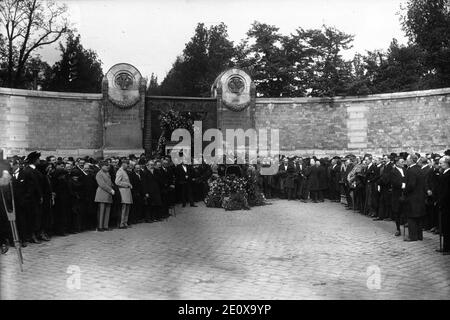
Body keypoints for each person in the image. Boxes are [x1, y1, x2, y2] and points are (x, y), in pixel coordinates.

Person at [18, 151, 43, 244]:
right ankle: (31, 235)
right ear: (34, 160)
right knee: (32, 217)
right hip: (31, 199)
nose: (39, 160)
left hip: (35, 198)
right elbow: (29, 186)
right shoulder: (28, 171)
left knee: (36, 217)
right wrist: (27, 197)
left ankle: (34, 234)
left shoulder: (34, 170)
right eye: (38, 159)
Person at [404, 154, 426, 241]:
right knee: (419, 217)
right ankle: (419, 236)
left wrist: (405, 191)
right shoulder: (419, 169)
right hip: (420, 196)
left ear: (411, 160)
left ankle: (413, 236)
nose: (406, 161)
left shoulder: (411, 170)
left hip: (412, 197)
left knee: (411, 217)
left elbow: (411, 185)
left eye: (407, 159)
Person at [94, 161, 114, 232]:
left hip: (108, 194)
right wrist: (110, 189)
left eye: (108, 165)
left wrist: (112, 187)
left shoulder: (107, 173)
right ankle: (100, 226)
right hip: (102, 193)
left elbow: (109, 182)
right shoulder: (99, 174)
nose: (107, 166)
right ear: (101, 166)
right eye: (106, 165)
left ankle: (105, 225)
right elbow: (102, 184)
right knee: (101, 211)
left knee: (107, 211)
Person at [436, 156, 450, 254]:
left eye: (441, 163)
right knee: (445, 226)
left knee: (447, 226)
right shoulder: (444, 173)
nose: (440, 165)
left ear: (447, 163)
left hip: (447, 204)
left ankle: (447, 248)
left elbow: (446, 191)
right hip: (444, 203)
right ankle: (445, 246)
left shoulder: (448, 174)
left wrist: (440, 201)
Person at [390, 156, 407, 237]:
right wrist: (403, 184)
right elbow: (394, 182)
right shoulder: (393, 171)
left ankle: (405, 226)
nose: (403, 163)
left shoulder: (405, 169)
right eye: (401, 162)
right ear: (397, 163)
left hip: (405, 193)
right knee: (397, 212)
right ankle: (398, 229)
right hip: (397, 194)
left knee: (405, 211)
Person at [115, 160, 133, 229]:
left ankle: (125, 222)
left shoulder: (124, 171)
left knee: (127, 208)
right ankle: (121, 223)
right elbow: (117, 182)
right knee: (123, 208)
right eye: (126, 164)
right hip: (123, 192)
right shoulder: (120, 171)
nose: (128, 165)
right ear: (123, 164)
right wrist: (127, 184)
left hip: (127, 192)